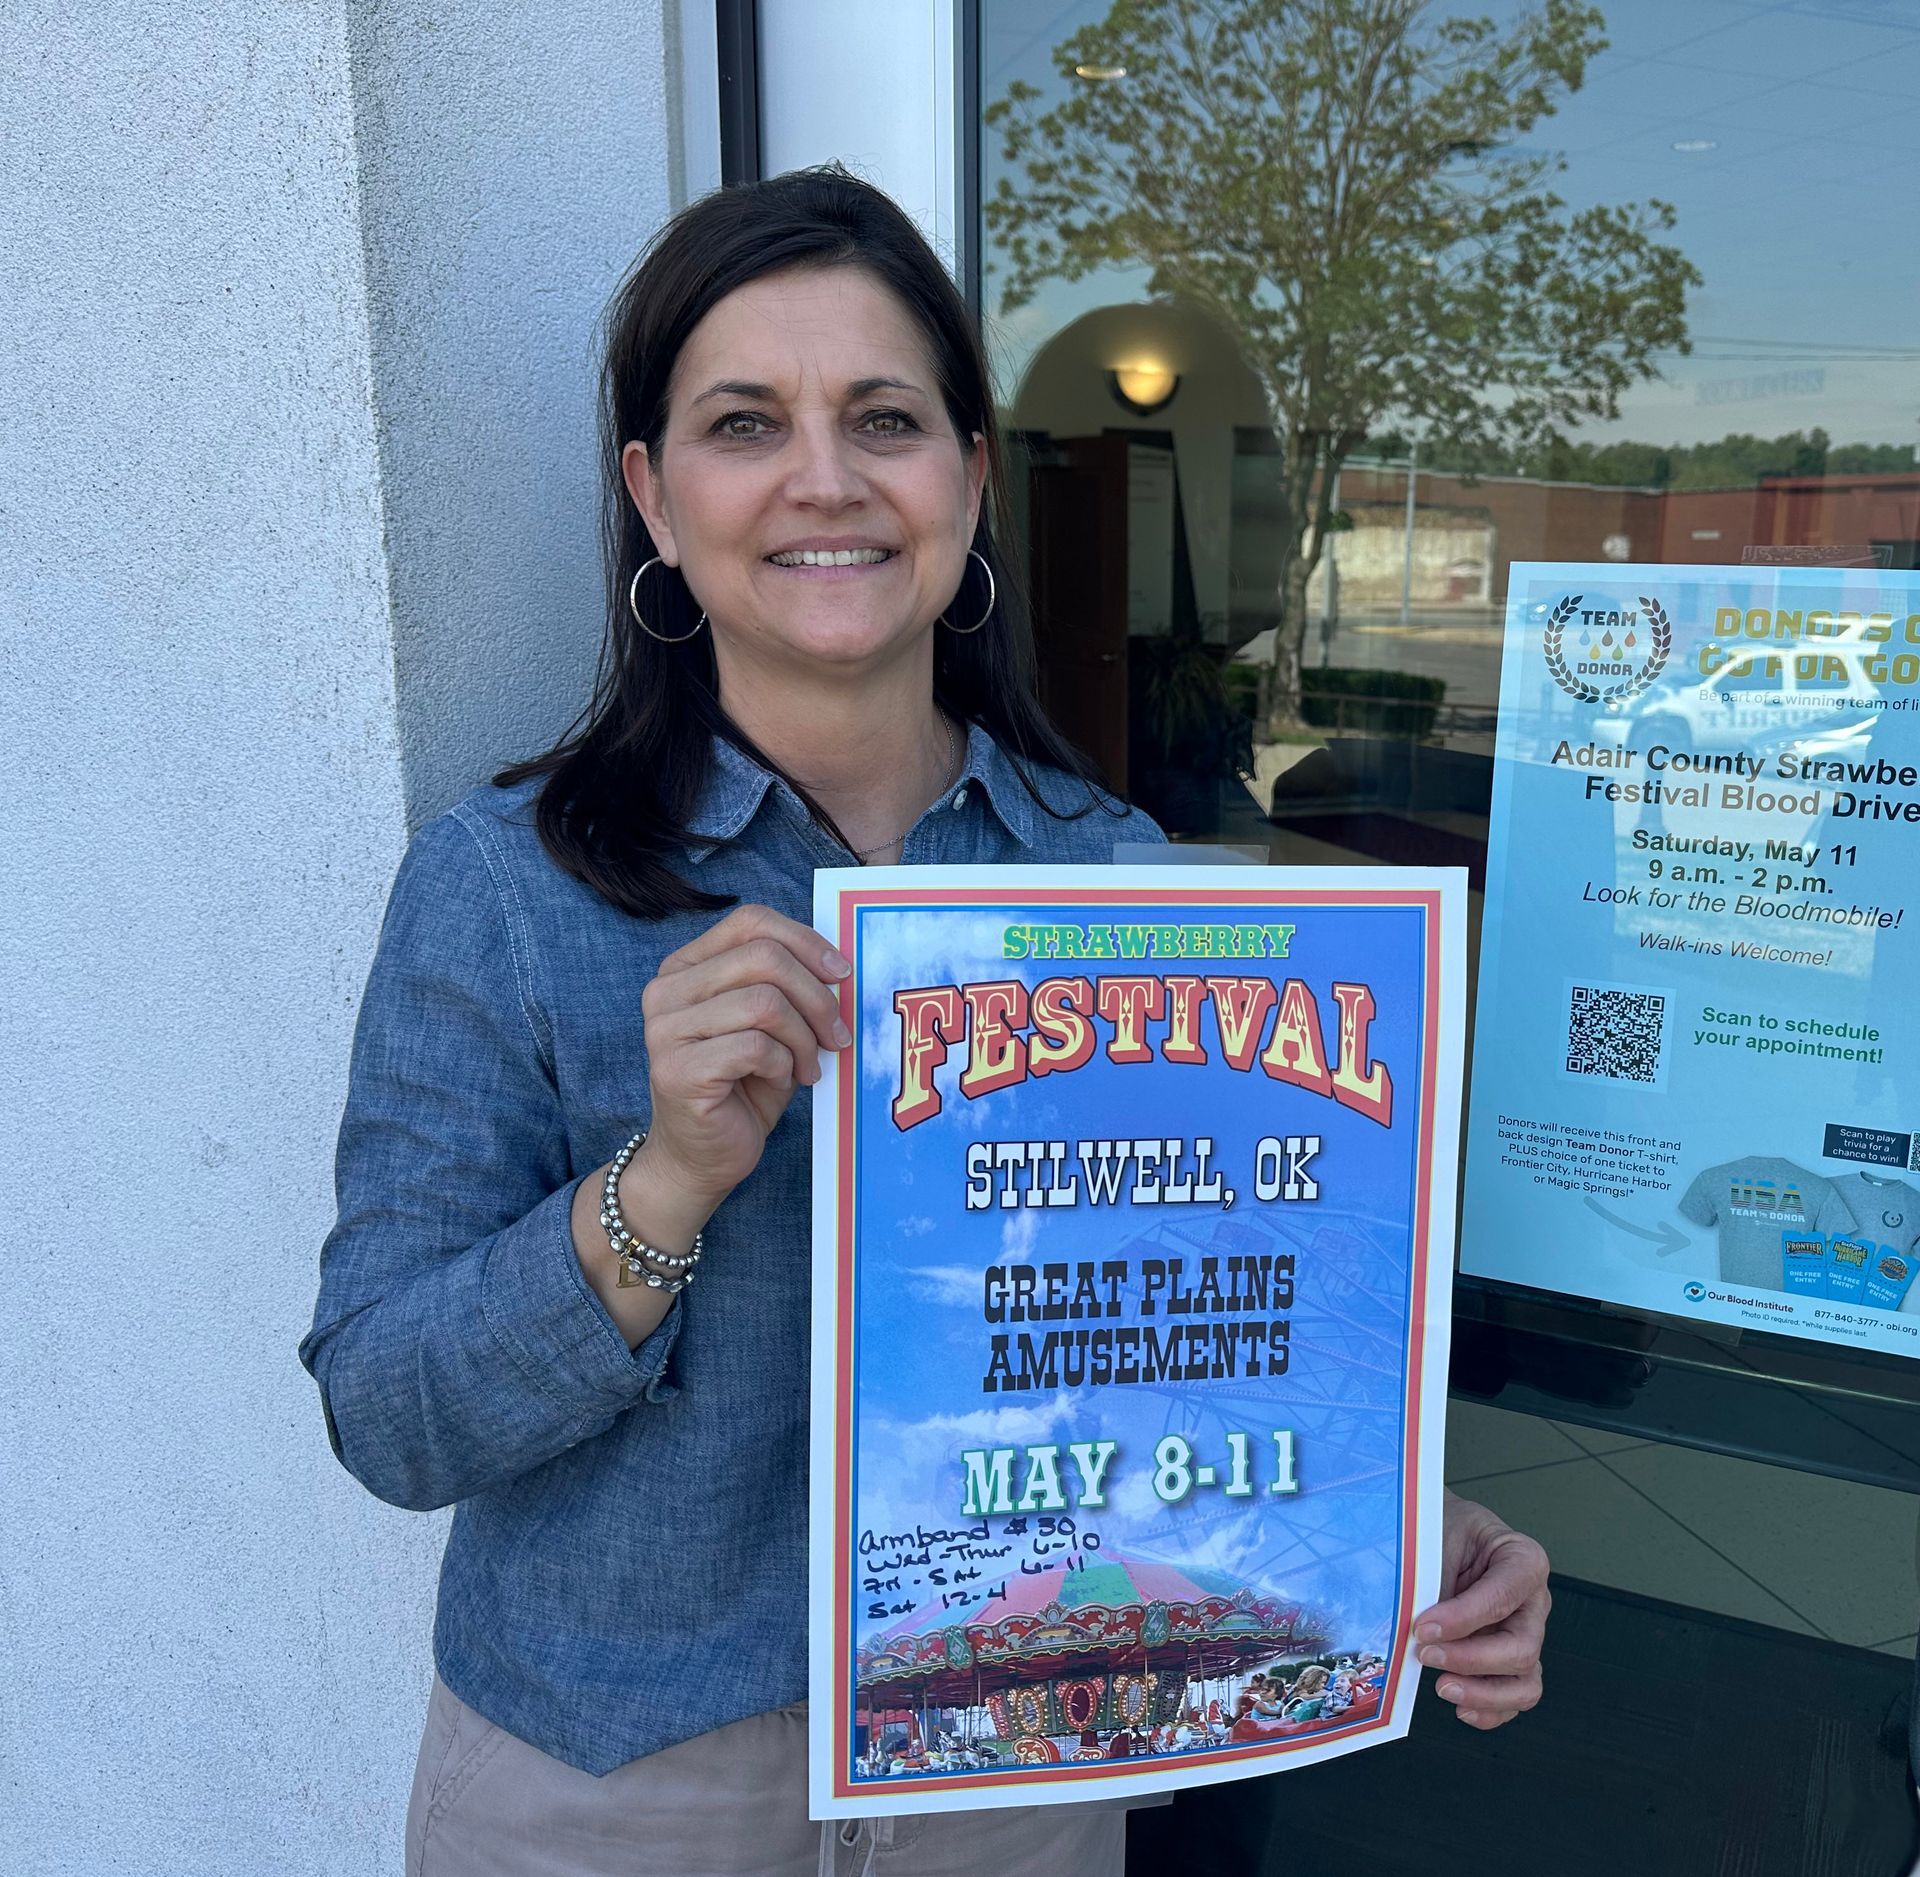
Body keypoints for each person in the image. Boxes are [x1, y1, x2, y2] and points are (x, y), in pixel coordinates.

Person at [298, 165, 1551, 1877]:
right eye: (747, 423)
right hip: (619, 1781)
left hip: (1013, 1773)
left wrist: (1401, 1531)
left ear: (967, 479)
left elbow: (1210, 1339)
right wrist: (657, 1185)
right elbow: (388, 1414)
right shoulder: (506, 887)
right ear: (655, 500)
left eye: (883, 416)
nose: (825, 477)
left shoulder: (1122, 882)